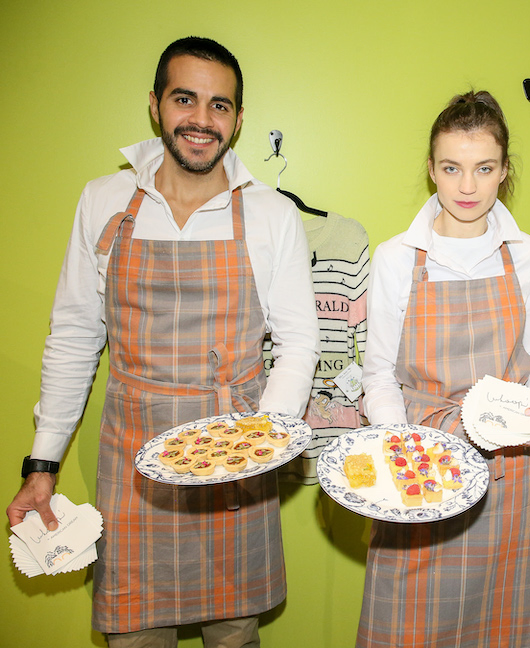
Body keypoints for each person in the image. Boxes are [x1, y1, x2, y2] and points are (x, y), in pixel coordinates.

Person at [6, 37, 319, 647]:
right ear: (155, 104)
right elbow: (74, 336)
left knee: (234, 633)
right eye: (184, 99)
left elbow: (299, 341)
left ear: (238, 118)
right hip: (133, 461)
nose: (202, 119)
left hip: (235, 457)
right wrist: (42, 463)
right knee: (135, 635)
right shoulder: (104, 200)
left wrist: (259, 442)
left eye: (219, 105)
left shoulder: (271, 213)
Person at [358, 90, 530, 648]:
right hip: (424, 463)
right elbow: (379, 374)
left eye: (484, 168)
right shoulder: (397, 258)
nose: (467, 187)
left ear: (504, 171)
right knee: (412, 627)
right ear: (431, 169)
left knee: (503, 627)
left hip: (509, 472)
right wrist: (402, 452)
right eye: (452, 168)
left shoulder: (526, 254)